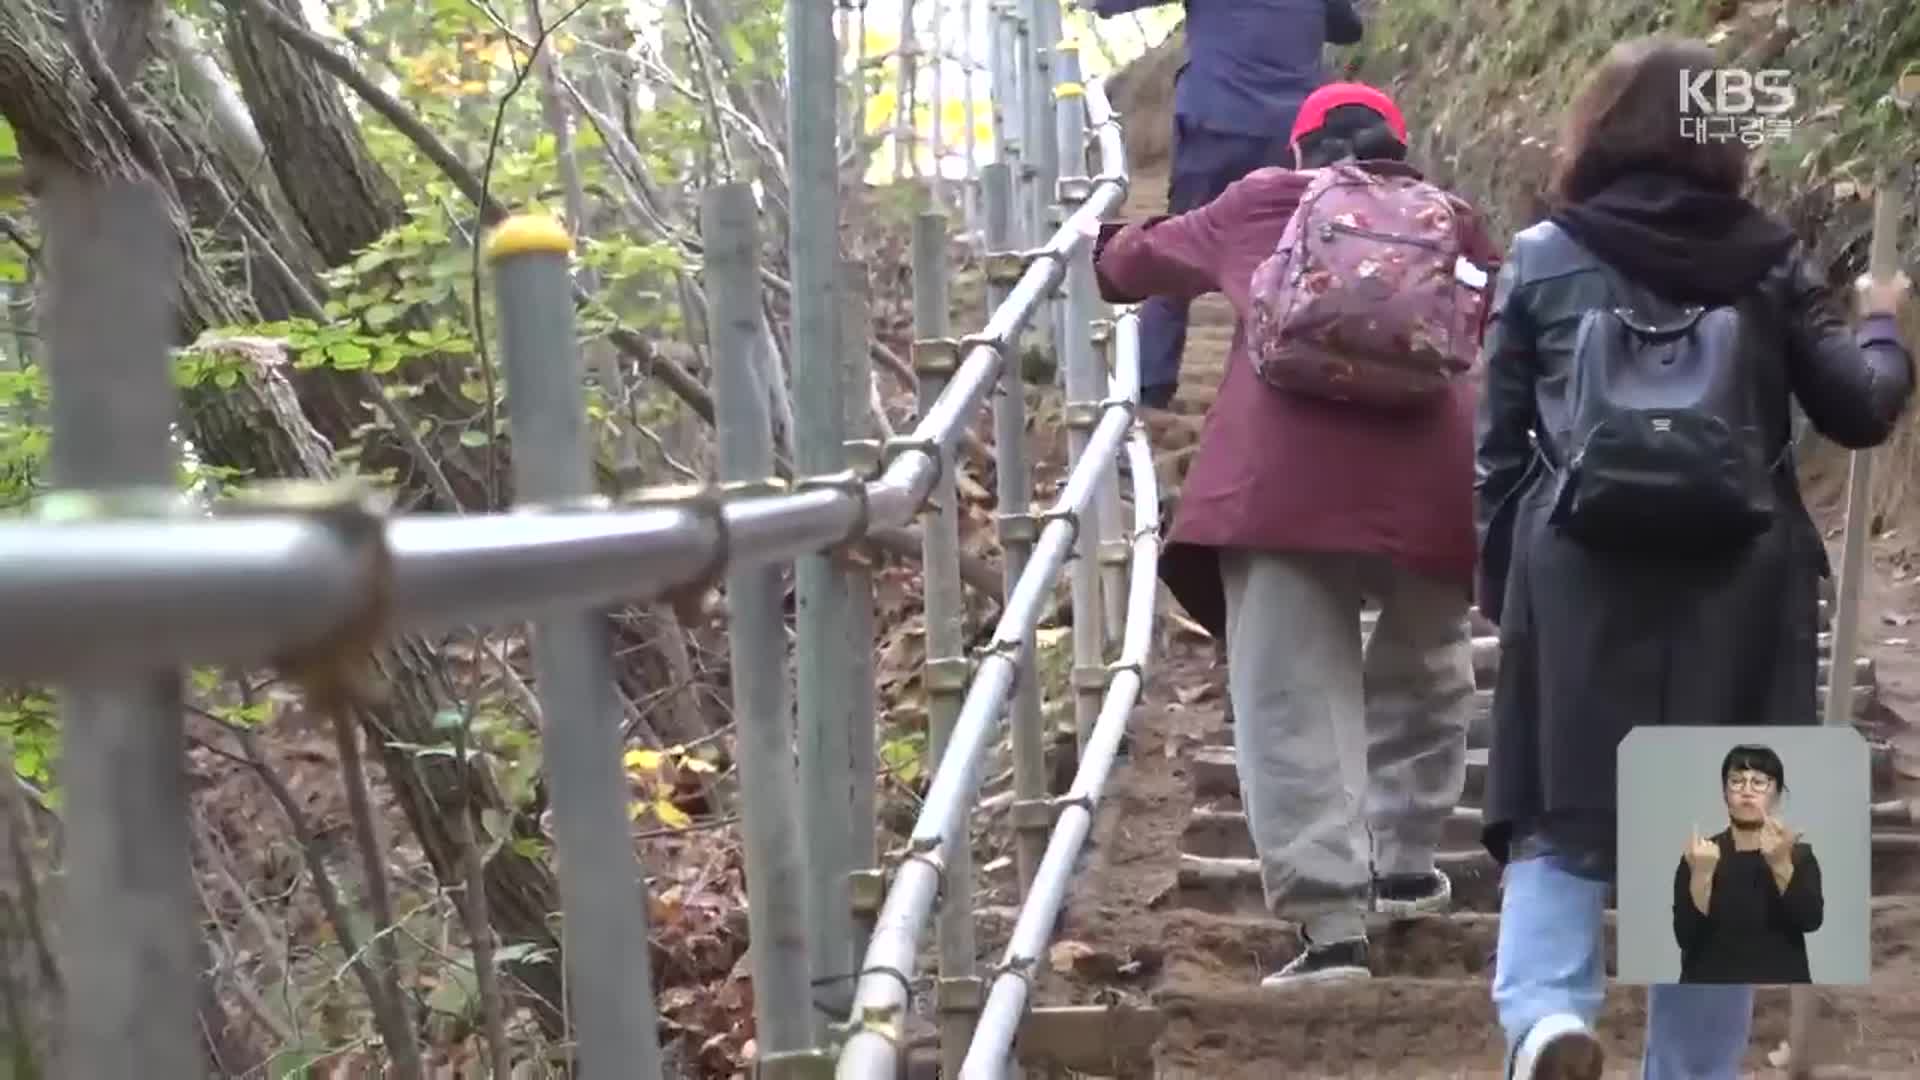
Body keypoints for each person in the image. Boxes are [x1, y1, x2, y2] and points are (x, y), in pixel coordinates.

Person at [1473, 37, 1913, 1080]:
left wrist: (1507, 587)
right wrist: (1886, 327)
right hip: (1741, 578)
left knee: (1559, 816)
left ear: (1599, 127)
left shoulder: (1540, 255)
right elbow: (1857, 408)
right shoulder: (1771, 262)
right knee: (1731, 834)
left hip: (1575, 571)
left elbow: (1495, 450)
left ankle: (1546, 1021)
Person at [1093, 81, 1500, 988]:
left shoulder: (1264, 200)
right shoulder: (1457, 220)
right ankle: (1403, 861)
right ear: (1401, 146)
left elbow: (1132, 267)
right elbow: (1499, 326)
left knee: (1292, 699)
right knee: (1428, 669)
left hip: (1279, 486)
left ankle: (1331, 929)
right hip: (1429, 480)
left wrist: (1099, 235)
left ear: (1300, 144)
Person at [1088, 0, 1364, 412]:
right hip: (1289, 133)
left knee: (1178, 244)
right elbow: (1348, 28)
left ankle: (1150, 388)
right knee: (1280, 259)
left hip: (1215, 122)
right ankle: (1263, 388)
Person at [1673, 744, 1824, 985]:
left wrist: (1779, 863)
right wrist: (1702, 874)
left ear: (1776, 794)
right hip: (1707, 991)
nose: (1747, 791)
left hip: (1780, 993)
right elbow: (1685, 936)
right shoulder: (1700, 855)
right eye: (1736, 781)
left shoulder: (1799, 856)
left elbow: (1810, 920)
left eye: (1759, 782)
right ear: (1725, 793)